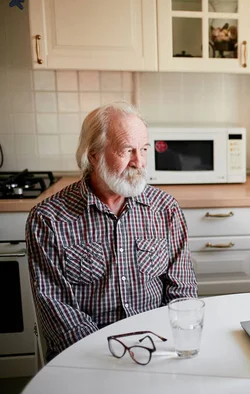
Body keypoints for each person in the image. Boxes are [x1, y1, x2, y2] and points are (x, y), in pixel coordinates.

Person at [26, 101, 197, 361]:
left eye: (144, 149)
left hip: (156, 350)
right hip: (85, 357)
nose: (138, 162)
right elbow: (55, 308)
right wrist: (110, 357)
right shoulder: (48, 219)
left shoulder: (165, 209)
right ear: (93, 154)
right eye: (127, 150)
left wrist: (154, 349)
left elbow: (182, 293)